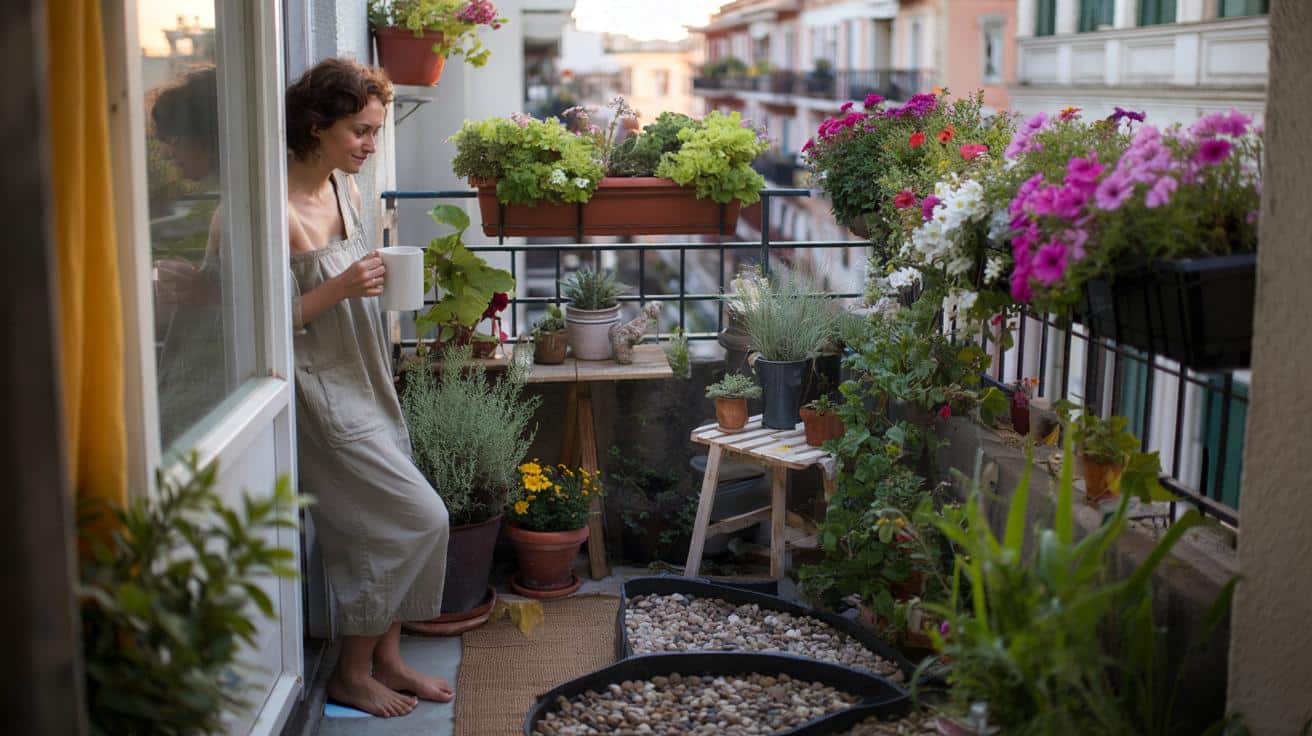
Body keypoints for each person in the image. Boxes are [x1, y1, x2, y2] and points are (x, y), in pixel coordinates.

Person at [285, 57, 452, 718]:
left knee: (404, 523)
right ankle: (351, 674)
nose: (370, 145)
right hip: (319, 388)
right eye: (360, 130)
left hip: (364, 372)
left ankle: (387, 658)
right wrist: (343, 286)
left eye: (375, 130)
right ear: (317, 124)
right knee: (415, 519)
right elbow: (259, 322)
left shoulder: (340, 186)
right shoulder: (273, 206)